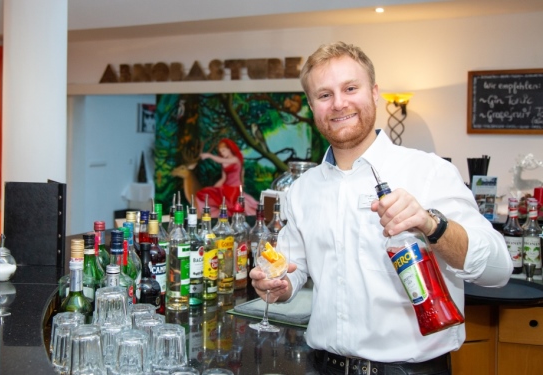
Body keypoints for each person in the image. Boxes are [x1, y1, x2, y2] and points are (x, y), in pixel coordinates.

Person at [250, 41, 512, 375]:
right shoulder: (303, 189)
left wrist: (433, 225)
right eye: (324, 94)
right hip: (324, 366)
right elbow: (292, 269)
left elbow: (498, 270)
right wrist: (277, 287)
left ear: (374, 93)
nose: (339, 103)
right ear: (312, 105)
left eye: (350, 88)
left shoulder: (429, 172)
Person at [195, 138, 258, 217]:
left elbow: (220, 160)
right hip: (225, 188)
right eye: (221, 152)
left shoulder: (235, 159)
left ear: (229, 149)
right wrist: (214, 189)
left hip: (234, 189)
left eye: (224, 150)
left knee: (230, 206)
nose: (222, 153)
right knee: (205, 194)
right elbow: (223, 179)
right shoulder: (224, 162)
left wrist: (209, 156)